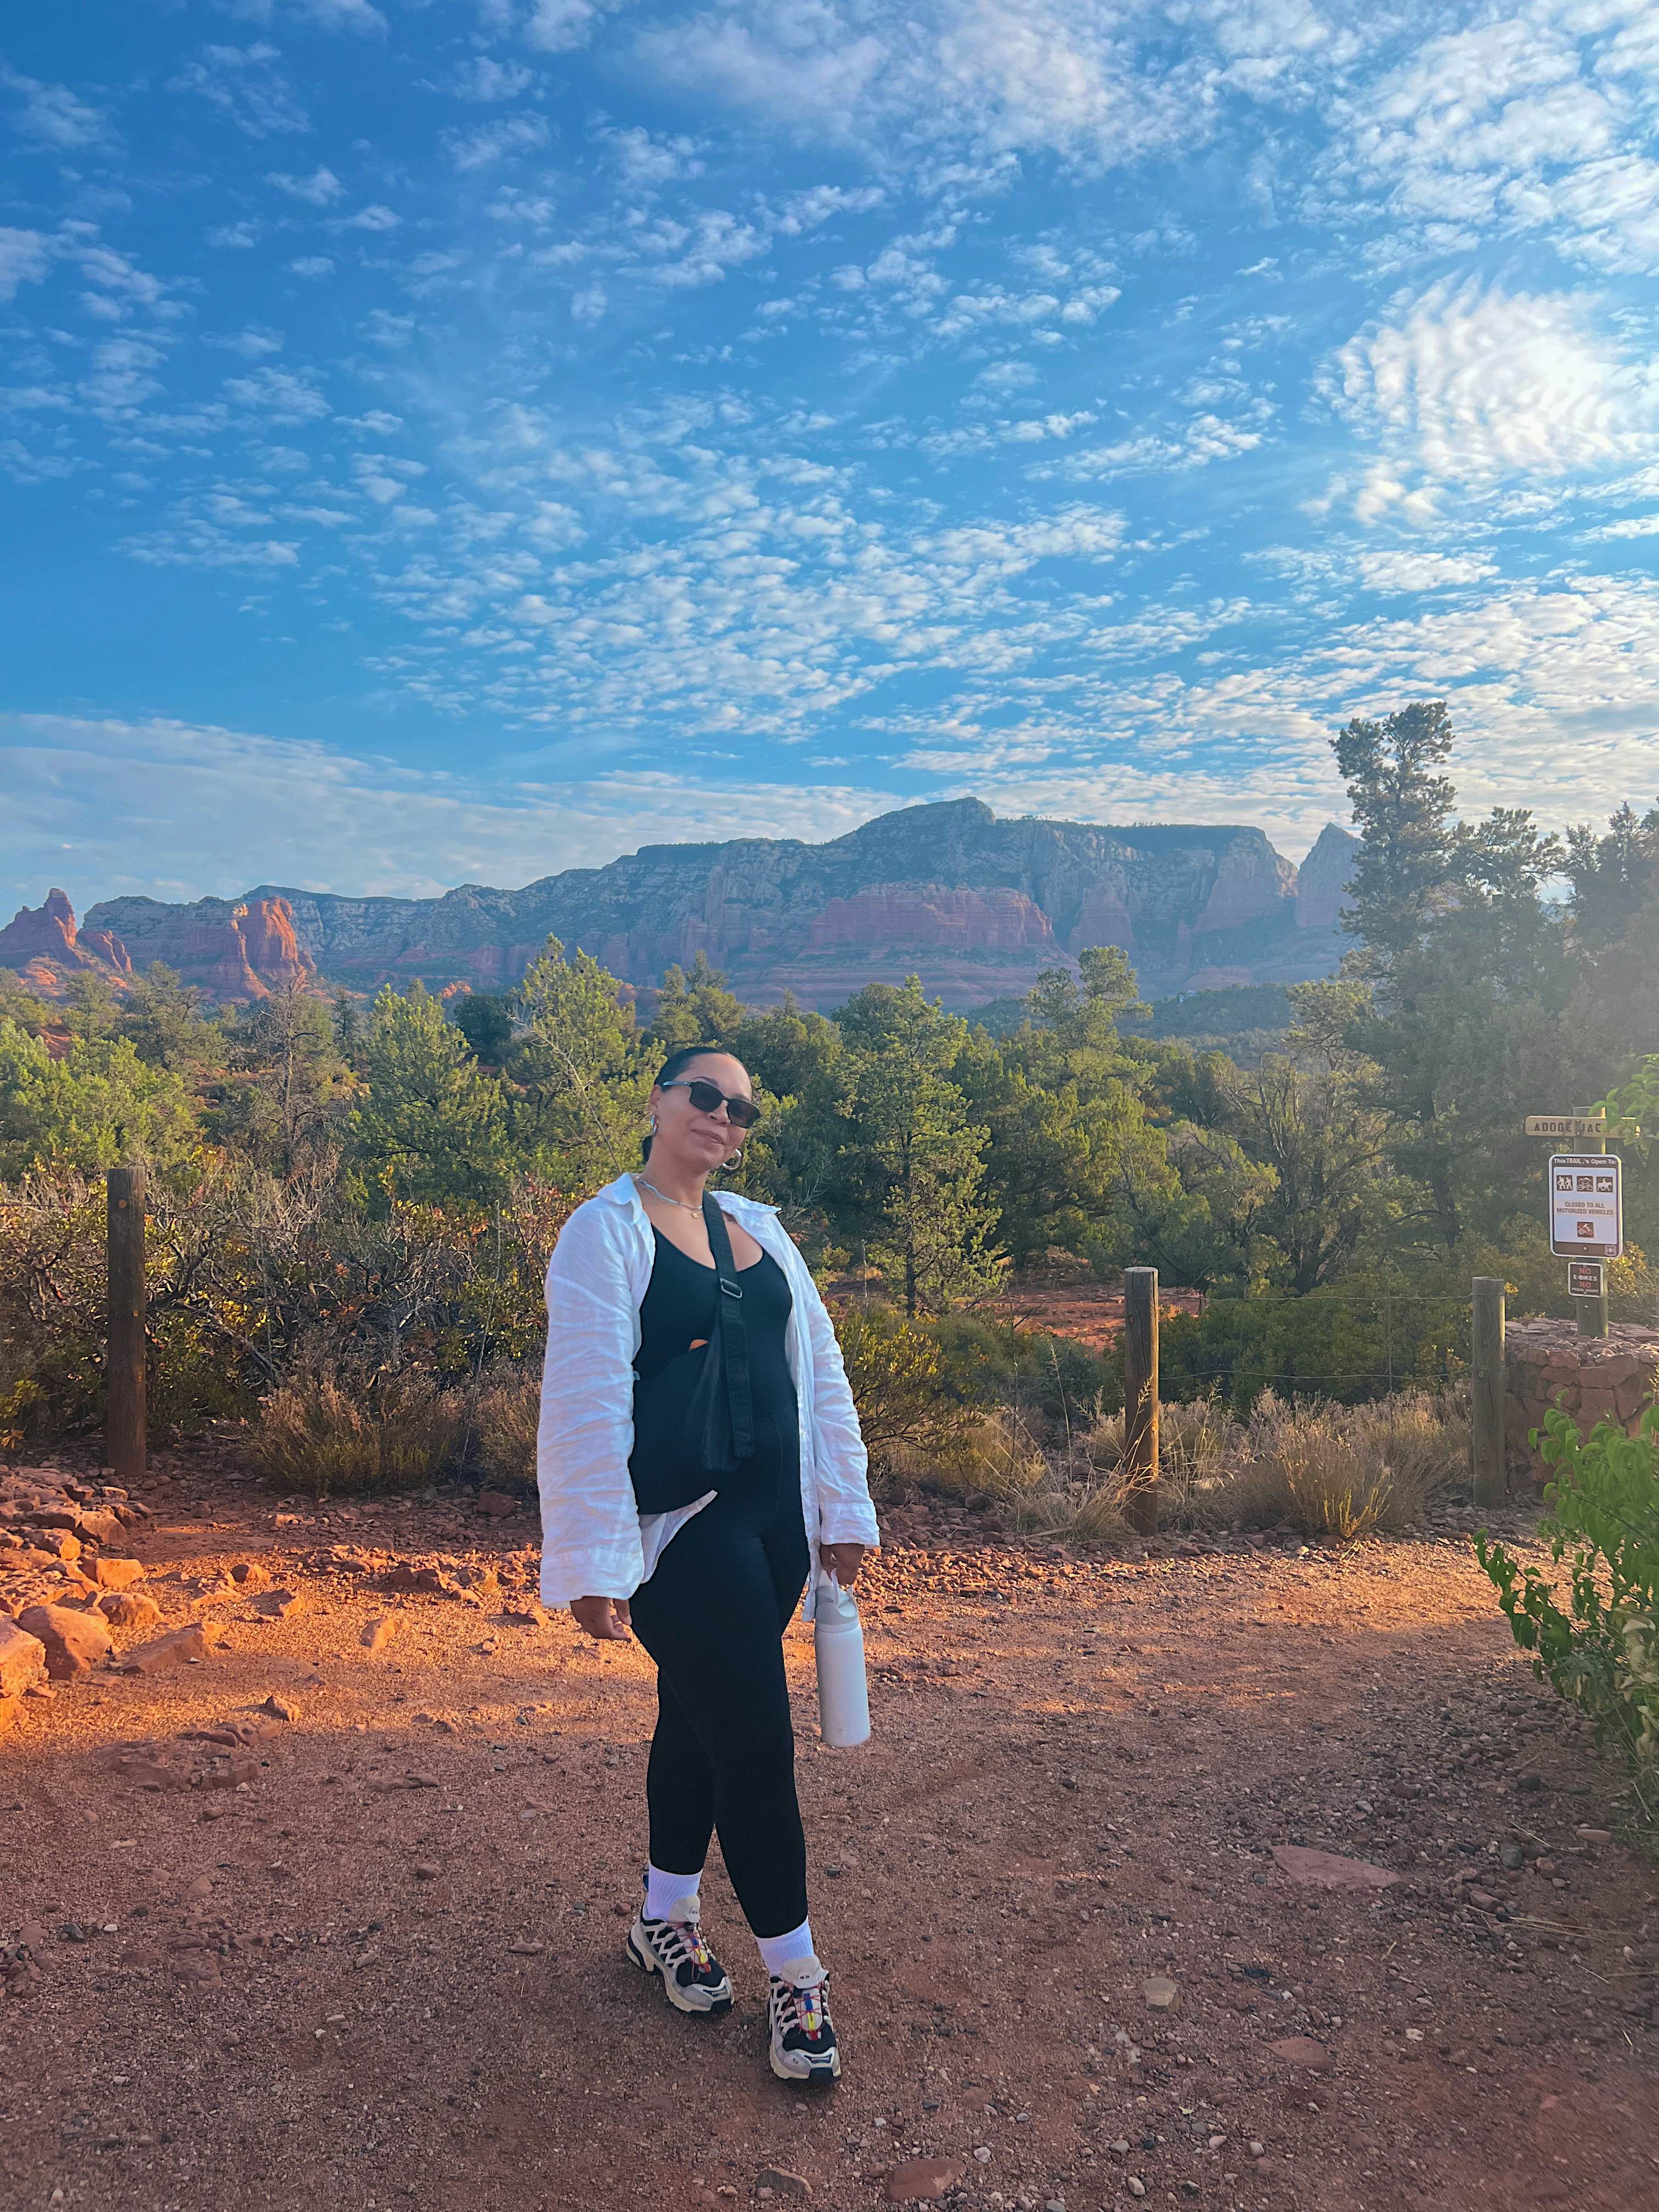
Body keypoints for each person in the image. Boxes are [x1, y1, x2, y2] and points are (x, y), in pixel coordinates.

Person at [537, 1043, 878, 2084]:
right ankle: (799, 1979)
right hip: (686, 1533)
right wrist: (594, 1558)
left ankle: (662, 1921)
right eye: (705, 1096)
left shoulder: (760, 1230)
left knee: (696, 1722)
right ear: (657, 1100)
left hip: (777, 1532)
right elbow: (585, 1400)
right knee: (757, 1746)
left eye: (742, 1109)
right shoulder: (605, 1233)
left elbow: (819, 1371)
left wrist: (843, 1507)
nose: (724, 1118)